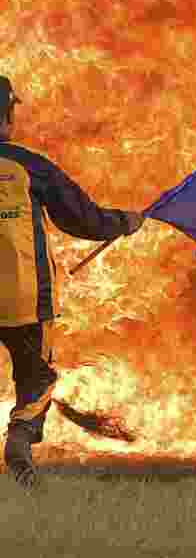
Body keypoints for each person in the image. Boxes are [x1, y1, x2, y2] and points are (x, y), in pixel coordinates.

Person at [0, 76, 145, 488]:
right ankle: (20, 435)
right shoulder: (29, 166)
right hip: (28, 304)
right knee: (38, 379)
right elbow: (83, 218)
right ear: (7, 115)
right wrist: (123, 222)